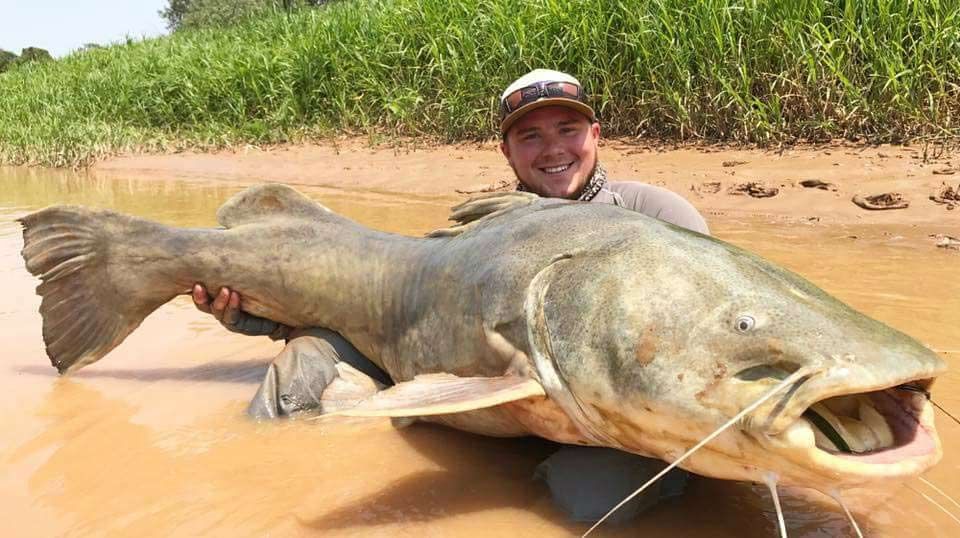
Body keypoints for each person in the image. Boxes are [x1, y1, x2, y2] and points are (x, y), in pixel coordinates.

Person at [193, 68, 707, 523]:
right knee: (304, 362)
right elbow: (389, 310)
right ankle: (268, 502)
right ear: (506, 152)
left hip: (604, 419)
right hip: (481, 406)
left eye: (567, 130)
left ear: (595, 135)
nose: (552, 149)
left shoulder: (660, 218)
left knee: (590, 500)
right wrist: (257, 318)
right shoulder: (478, 234)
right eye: (530, 136)